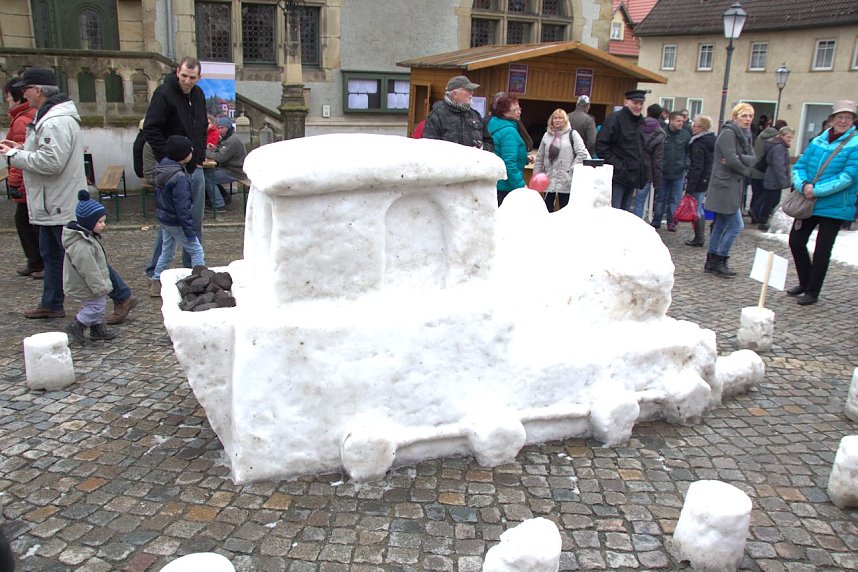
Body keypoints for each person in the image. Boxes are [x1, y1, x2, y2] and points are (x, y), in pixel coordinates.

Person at [0, 68, 136, 323]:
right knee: (53, 254)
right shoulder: (49, 117)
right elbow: (48, 154)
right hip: (52, 201)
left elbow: (51, 162)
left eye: (26, 89)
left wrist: (14, 156)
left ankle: (122, 295)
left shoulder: (55, 120)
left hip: (58, 202)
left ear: (37, 90)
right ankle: (51, 303)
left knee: (83, 254)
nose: (23, 94)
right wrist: (21, 148)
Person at [787, 100, 858, 305]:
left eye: (847, 117)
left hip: (834, 205)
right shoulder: (819, 140)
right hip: (809, 200)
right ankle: (805, 281)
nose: (843, 121)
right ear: (832, 119)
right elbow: (800, 166)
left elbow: (849, 177)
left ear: (853, 120)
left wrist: (816, 190)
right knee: (796, 241)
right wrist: (804, 185)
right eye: (839, 117)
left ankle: (812, 291)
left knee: (822, 250)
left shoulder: (855, 143)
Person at [143, 56, 208, 279]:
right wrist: (167, 158)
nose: (187, 81)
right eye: (184, 76)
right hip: (172, 167)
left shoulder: (198, 95)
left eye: (192, 77)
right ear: (177, 72)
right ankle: (155, 271)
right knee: (170, 222)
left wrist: (198, 155)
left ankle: (192, 270)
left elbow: (200, 128)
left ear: (199, 77)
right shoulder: (163, 93)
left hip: (195, 165)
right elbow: (151, 129)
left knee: (194, 221)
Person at [703, 103, 756, 277]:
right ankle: (720, 258)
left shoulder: (745, 135)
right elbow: (731, 161)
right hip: (724, 187)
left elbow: (752, 157)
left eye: (750, 116)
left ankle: (712, 261)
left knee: (720, 224)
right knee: (736, 225)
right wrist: (744, 166)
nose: (748, 119)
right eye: (744, 116)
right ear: (735, 117)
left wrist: (740, 158)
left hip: (733, 185)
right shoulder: (728, 133)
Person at [151, 135, 206, 296]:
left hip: (165, 218)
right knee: (196, 251)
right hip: (176, 221)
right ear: (183, 155)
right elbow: (182, 207)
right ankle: (199, 282)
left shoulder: (163, 168)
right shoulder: (180, 177)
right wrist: (189, 231)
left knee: (167, 252)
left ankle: (156, 281)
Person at [63, 191, 117, 343]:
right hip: (86, 284)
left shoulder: (88, 239)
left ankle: (97, 327)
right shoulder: (82, 246)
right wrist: (99, 286)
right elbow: (89, 270)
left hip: (90, 283)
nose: (103, 225)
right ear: (88, 222)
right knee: (96, 306)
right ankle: (78, 324)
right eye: (100, 222)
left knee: (99, 304)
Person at [3, 77, 42, 279]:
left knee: (27, 222)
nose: (7, 101)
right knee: (29, 221)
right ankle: (36, 261)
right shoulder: (25, 116)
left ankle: (37, 261)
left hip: (27, 181)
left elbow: (19, 157)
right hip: (30, 181)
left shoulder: (21, 119)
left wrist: (15, 183)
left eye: (8, 97)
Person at [595, 89, 647, 210]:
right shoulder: (614, 119)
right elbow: (601, 146)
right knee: (614, 212)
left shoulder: (640, 121)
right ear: (626, 102)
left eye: (641, 103)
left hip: (633, 176)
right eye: (635, 103)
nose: (638, 106)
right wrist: (618, 166)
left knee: (625, 213)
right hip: (618, 176)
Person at [533, 109, 590, 212]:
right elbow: (540, 157)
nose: (557, 120)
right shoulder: (547, 135)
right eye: (555, 118)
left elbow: (582, 153)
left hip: (566, 180)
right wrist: (536, 176)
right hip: (549, 180)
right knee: (546, 210)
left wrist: (571, 169)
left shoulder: (573, 134)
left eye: (560, 118)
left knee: (565, 211)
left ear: (565, 120)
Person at [423, 75, 493, 150]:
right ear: (455, 94)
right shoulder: (437, 115)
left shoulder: (475, 115)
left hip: (473, 161)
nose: (472, 93)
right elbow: (429, 147)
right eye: (468, 90)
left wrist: (482, 148)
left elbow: (490, 144)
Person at [652, 110, 691, 231]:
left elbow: (689, 152)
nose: (681, 123)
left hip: (679, 172)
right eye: (678, 121)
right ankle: (656, 220)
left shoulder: (685, 135)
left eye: (682, 121)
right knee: (661, 198)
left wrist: (686, 164)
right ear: (671, 120)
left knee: (675, 199)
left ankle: (672, 222)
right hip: (663, 171)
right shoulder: (663, 133)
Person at [488, 94, 528, 206]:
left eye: (519, 108)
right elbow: (509, 164)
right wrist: (521, 186)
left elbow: (502, 153)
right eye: (515, 109)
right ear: (504, 112)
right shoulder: (509, 131)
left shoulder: (496, 125)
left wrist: (525, 158)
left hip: (497, 184)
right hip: (506, 187)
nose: (519, 112)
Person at [684, 115, 716, 247]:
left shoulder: (699, 143)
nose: (692, 127)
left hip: (699, 179)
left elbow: (697, 166)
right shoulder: (709, 140)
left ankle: (699, 237)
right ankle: (699, 236)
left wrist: (690, 187)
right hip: (705, 178)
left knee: (696, 208)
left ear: (701, 128)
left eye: (695, 125)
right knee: (699, 208)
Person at [757, 126, 794, 231]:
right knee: (771, 201)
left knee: (769, 200)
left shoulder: (779, 146)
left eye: (791, 137)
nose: (789, 139)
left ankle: (763, 219)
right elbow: (779, 166)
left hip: (772, 179)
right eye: (788, 137)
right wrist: (784, 182)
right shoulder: (779, 147)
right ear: (782, 135)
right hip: (774, 180)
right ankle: (763, 221)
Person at [633, 103, 665, 220]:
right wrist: (657, 179)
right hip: (647, 171)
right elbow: (658, 159)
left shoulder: (636, 126)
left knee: (628, 201)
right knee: (640, 201)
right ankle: (638, 226)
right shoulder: (660, 133)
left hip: (632, 167)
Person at [206, 116, 246, 206]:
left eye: (222, 128)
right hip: (231, 168)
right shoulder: (229, 137)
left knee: (208, 177)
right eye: (218, 128)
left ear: (228, 128)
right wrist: (215, 148)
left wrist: (205, 152)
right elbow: (223, 152)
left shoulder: (232, 140)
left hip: (235, 171)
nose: (220, 130)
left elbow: (220, 157)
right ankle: (223, 197)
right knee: (207, 173)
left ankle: (218, 203)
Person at [748, 121, 780, 223]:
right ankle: (756, 213)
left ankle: (753, 215)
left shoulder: (760, 136)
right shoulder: (773, 141)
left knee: (756, 194)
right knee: (764, 195)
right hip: (764, 172)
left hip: (754, 169)